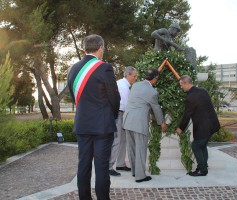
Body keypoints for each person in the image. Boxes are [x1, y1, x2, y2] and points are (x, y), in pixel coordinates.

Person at [67, 34, 120, 200]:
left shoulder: (73, 68)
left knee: (83, 165)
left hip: (82, 124)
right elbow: (114, 98)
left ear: (84, 48)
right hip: (102, 127)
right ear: (101, 48)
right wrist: (111, 116)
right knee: (102, 167)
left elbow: (73, 95)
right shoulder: (104, 67)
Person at [123, 68, 167, 183]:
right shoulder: (152, 92)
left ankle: (134, 172)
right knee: (140, 149)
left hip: (127, 121)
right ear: (155, 79)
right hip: (139, 123)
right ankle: (140, 176)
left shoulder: (135, 85)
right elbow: (156, 109)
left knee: (131, 148)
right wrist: (161, 122)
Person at [176, 75, 220, 177]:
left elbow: (187, 115)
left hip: (203, 126)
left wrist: (180, 128)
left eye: (181, 85)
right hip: (212, 124)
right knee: (202, 145)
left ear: (187, 83)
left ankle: (202, 170)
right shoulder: (202, 90)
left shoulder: (191, 97)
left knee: (196, 146)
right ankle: (204, 165)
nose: (181, 87)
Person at [109, 66, 138, 176]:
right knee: (117, 141)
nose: (135, 78)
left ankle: (120, 164)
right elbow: (126, 105)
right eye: (134, 76)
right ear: (128, 75)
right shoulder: (123, 87)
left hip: (121, 114)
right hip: (119, 114)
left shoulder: (123, 84)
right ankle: (109, 166)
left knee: (123, 140)